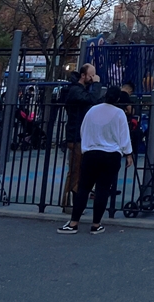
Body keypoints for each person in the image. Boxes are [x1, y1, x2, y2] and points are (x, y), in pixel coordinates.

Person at [57, 86, 133, 235]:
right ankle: (96, 224)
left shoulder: (92, 110)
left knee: (84, 188)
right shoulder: (119, 114)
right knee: (103, 189)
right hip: (111, 154)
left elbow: (83, 130)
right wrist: (128, 153)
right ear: (118, 99)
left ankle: (73, 223)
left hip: (91, 152)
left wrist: (86, 148)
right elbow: (124, 136)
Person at [61, 64, 103, 212]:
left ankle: (70, 200)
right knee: (76, 169)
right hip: (76, 135)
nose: (93, 78)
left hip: (79, 134)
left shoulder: (79, 90)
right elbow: (90, 100)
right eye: (91, 75)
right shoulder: (75, 91)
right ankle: (70, 201)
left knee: (77, 168)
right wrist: (97, 84)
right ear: (83, 76)